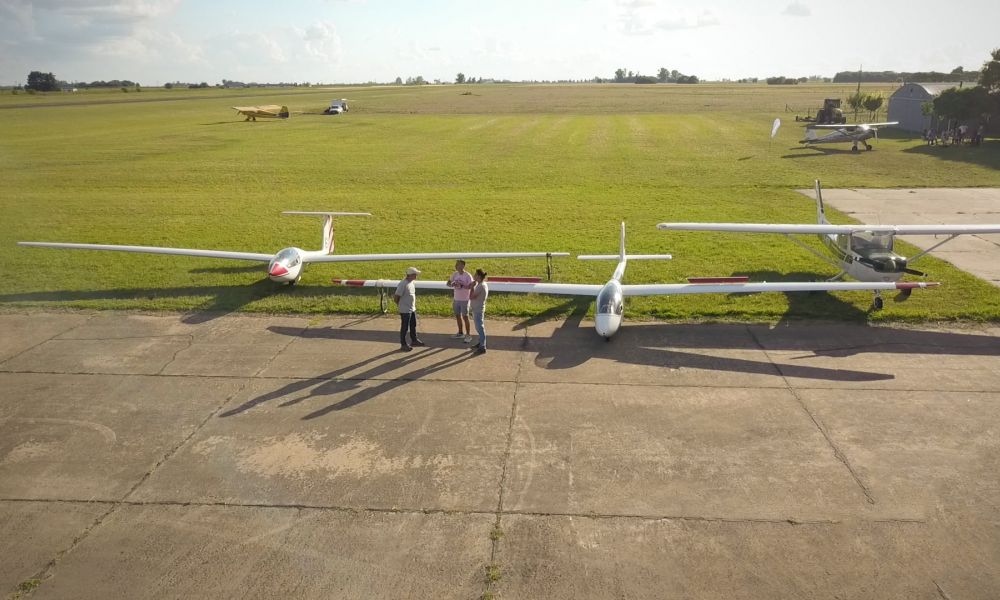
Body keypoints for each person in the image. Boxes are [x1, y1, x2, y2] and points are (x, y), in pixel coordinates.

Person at [393, 266, 425, 352]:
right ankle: (403, 344)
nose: (416, 276)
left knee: (413, 325)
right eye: (415, 275)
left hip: (412, 309)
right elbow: (396, 297)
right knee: (404, 327)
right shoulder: (403, 284)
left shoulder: (411, 283)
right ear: (410, 275)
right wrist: (401, 306)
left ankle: (414, 340)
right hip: (405, 310)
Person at [447, 259, 474, 343]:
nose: (456, 266)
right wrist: (452, 284)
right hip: (456, 299)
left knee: (465, 317)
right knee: (457, 316)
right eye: (456, 264)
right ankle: (460, 333)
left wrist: (462, 286)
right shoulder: (454, 274)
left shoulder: (467, 275)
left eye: (458, 264)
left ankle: (468, 335)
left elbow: (471, 286)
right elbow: (448, 283)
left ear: (463, 266)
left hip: (465, 300)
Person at [469, 268, 489, 355]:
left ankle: (482, 347)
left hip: (478, 310)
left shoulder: (481, 286)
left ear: (479, 276)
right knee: (478, 327)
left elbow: (471, 296)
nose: (473, 276)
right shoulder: (481, 284)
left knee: (480, 328)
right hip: (477, 309)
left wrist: (471, 287)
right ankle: (480, 343)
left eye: (475, 274)